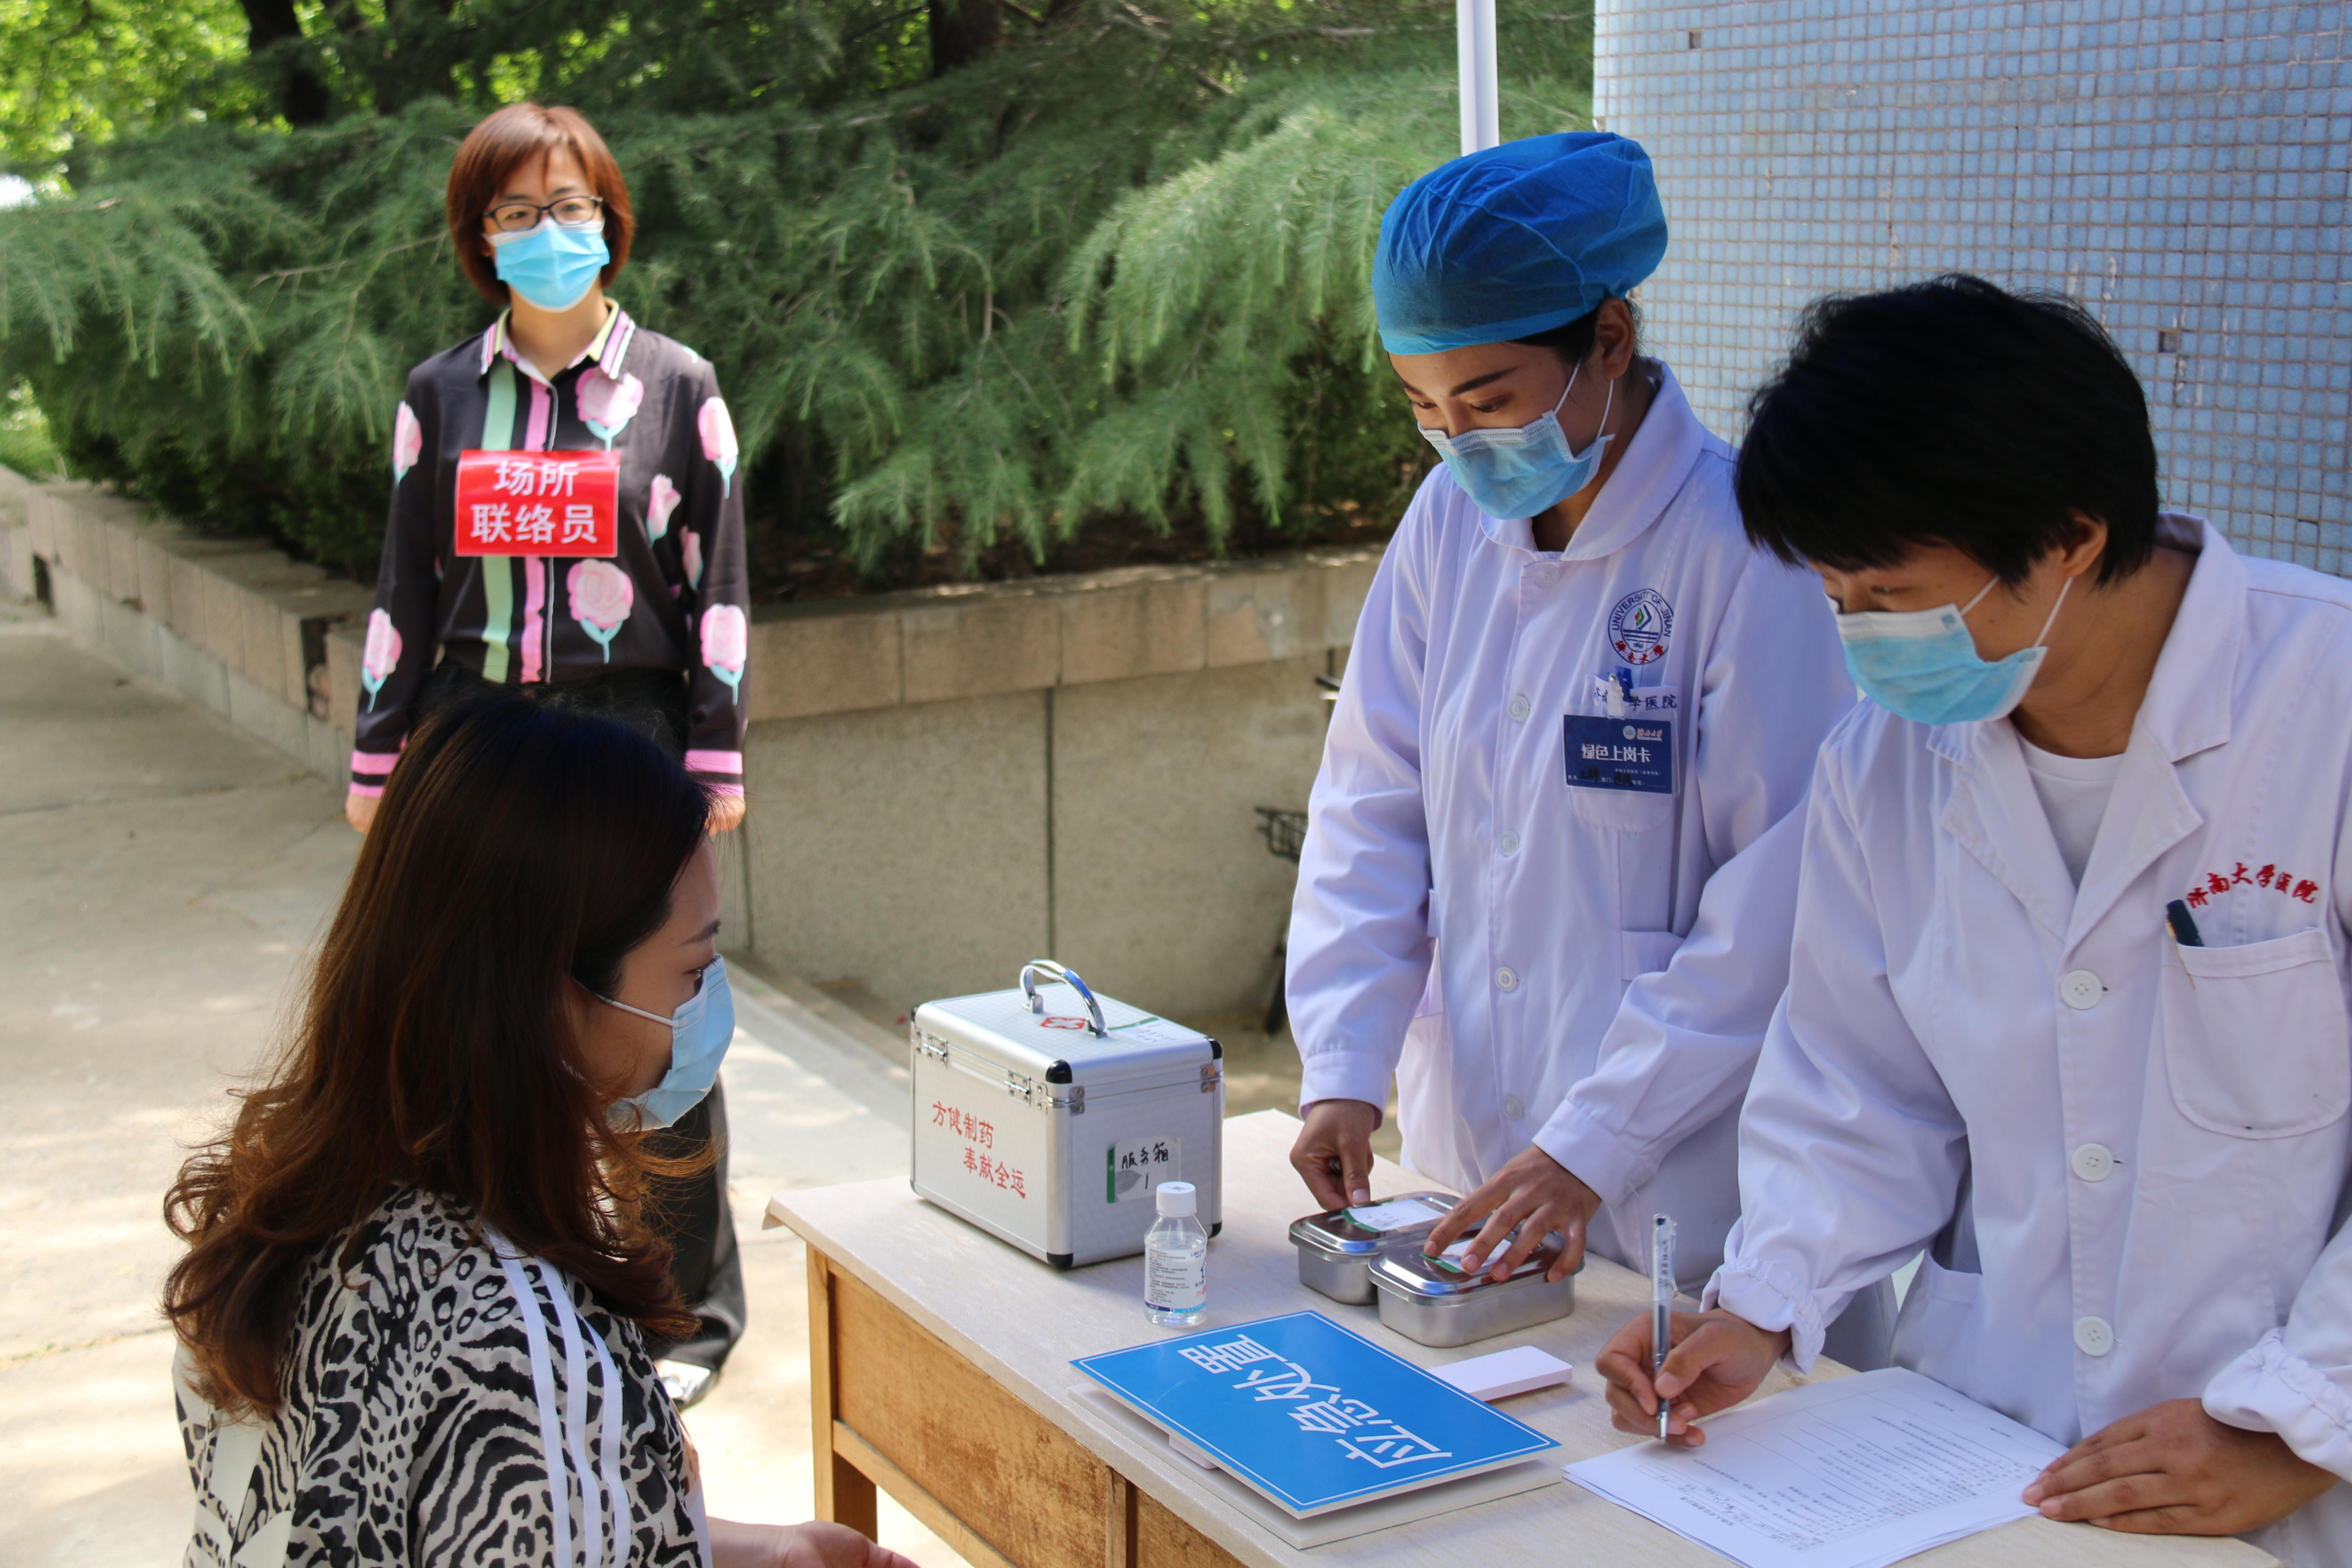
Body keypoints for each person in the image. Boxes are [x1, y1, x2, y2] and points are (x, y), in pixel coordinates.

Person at [1594, 275, 2352, 1561]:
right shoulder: (1884, 764)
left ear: (2070, 535)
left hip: (2285, 1468)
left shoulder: (2323, 705)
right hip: (1992, 1446)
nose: (1863, 641)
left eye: (1894, 596)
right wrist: (1764, 1302)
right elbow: (1856, 1082)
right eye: (1836, 598)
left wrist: (2303, 1419)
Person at [1281, 130, 1888, 1359]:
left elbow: (1779, 904)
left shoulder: (1748, 549)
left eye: (1490, 401)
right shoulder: (1448, 522)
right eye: (1424, 408)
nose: (1458, 440)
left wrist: (1593, 1142)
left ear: (1609, 339)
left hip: (1687, 1200)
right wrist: (1344, 1059)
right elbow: (1371, 801)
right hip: (1471, 1172)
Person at [166, 691, 908, 1568]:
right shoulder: (518, 1350)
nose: (707, 1003)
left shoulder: (285, 1214)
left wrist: (762, 1552)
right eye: (694, 966)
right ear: (552, 998)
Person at [346, 101, 753, 1403]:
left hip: (626, 733)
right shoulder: (439, 393)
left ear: (609, 221)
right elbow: (405, 583)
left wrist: (715, 759)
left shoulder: (679, 386)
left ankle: (684, 1315)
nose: (546, 231)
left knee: (660, 1025)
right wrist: (378, 757)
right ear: (481, 236)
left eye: (569, 206)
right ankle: (491, 1278)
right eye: (517, 212)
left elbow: (719, 585)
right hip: (476, 734)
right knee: (469, 1011)